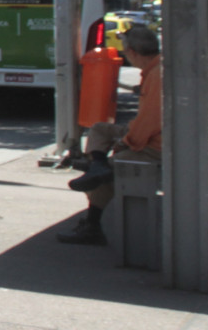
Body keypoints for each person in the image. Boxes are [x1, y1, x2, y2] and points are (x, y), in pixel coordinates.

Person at [59, 25, 162, 246]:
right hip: (148, 133)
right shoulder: (154, 70)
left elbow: (149, 122)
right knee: (99, 129)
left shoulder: (157, 75)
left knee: (109, 172)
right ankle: (98, 165)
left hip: (156, 146)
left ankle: (93, 225)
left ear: (133, 52)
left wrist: (125, 143)